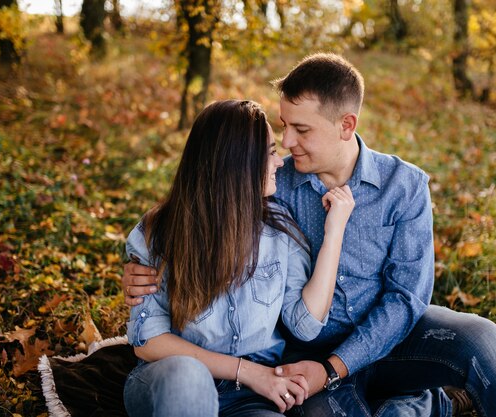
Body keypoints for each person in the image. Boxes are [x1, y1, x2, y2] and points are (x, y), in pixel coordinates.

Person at [123, 54, 496, 417]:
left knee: (481, 337)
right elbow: (207, 209)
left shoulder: (403, 186)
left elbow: (406, 300)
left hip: (388, 342)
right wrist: (142, 272)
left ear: (346, 125)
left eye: (302, 130)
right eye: (284, 126)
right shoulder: (274, 186)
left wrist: (335, 367)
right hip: (302, 356)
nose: (288, 142)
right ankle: (420, 402)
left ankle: (418, 396)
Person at [123, 99, 355, 417]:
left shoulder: (279, 230)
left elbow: (305, 325)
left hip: (250, 396)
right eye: (270, 152)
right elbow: (147, 340)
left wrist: (334, 234)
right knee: (188, 378)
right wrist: (246, 371)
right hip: (173, 382)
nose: (280, 162)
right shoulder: (160, 231)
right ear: (238, 163)